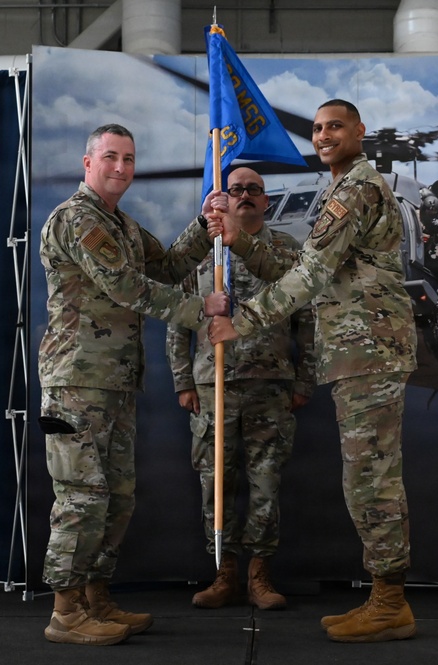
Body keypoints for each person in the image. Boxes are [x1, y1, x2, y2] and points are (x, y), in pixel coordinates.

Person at [206, 100, 418, 643]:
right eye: (318, 128)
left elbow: (311, 274)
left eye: (335, 127)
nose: (323, 136)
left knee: (372, 479)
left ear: (360, 132)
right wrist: (240, 241)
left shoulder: (355, 189)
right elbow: (304, 270)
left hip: (369, 348)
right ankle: (384, 598)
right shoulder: (339, 188)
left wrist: (244, 320)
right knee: (364, 478)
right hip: (359, 351)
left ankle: (390, 602)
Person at [37, 123, 229, 646]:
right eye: (111, 157)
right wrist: (199, 309)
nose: (121, 167)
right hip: (77, 380)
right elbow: (125, 286)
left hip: (114, 382)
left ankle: (97, 597)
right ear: (88, 162)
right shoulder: (79, 220)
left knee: (116, 497)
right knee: (81, 496)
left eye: (129, 159)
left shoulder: (119, 224)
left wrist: (205, 221)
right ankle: (65, 611)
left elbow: (164, 266)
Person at [166, 167, 316, 611]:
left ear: (266, 202)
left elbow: (308, 323)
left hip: (272, 387)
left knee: (266, 483)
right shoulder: (200, 252)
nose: (245, 195)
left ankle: (260, 575)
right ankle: (224, 573)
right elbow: (178, 320)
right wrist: (182, 380)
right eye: (236, 189)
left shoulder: (288, 251)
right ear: (223, 200)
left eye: (254, 190)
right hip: (212, 386)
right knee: (216, 482)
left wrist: (304, 379)